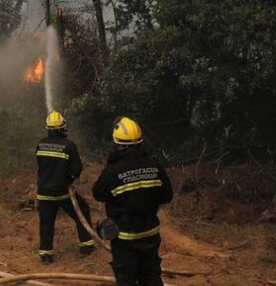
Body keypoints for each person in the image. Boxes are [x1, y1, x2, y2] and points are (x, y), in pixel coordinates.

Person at [91, 117, 173, 286]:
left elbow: (98, 194)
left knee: (126, 279)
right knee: (151, 276)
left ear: (117, 143)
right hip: (150, 234)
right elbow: (167, 196)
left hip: (124, 239)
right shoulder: (155, 167)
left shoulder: (112, 172)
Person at [35, 109, 95, 264]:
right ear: (63, 128)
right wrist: (70, 179)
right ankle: (86, 246)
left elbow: (40, 165)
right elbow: (76, 169)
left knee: (46, 222)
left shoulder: (41, 144)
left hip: (43, 192)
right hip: (62, 192)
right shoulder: (68, 145)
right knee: (82, 211)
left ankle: (46, 255)